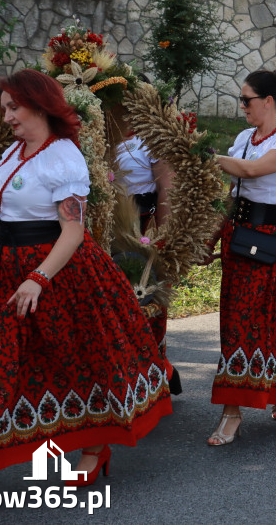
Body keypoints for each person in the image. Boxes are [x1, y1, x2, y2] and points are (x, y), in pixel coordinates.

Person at [0, 69, 172, 510]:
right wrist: (15, 272)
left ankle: (93, 447)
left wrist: (38, 277)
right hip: (13, 273)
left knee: (81, 357)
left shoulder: (64, 157)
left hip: (60, 273)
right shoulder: (14, 153)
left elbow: (72, 231)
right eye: (3, 107)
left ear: (40, 104)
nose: (6, 115)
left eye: (14, 106)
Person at [210, 69, 276, 443]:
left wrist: (203, 155)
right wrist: (213, 234)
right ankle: (232, 409)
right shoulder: (243, 138)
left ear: (268, 102)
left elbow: (251, 171)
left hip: (272, 237)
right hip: (239, 233)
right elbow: (234, 195)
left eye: (247, 100)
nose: (242, 106)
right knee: (235, 318)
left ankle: (273, 388)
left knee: (270, 318)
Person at [111, 103, 180, 394]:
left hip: (141, 226)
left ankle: (153, 374)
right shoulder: (101, 135)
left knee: (144, 298)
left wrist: (161, 238)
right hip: (108, 227)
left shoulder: (148, 139)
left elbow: (166, 187)